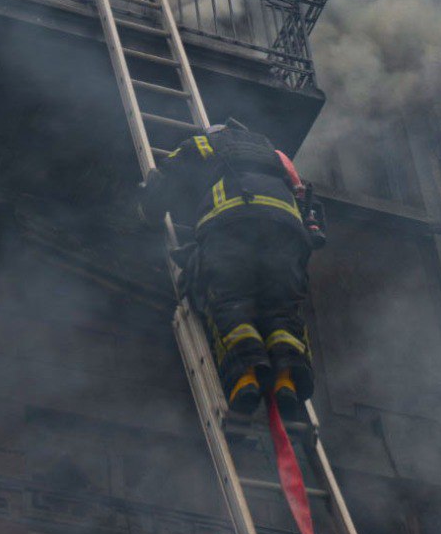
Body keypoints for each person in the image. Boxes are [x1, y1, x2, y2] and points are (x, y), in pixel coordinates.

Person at [139, 118, 327, 419]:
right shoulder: (275, 155)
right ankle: (286, 382)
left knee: (231, 301)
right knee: (281, 309)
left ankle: (245, 379)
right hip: (287, 232)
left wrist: (149, 212)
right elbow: (305, 200)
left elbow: (165, 176)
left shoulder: (205, 144)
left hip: (232, 225)